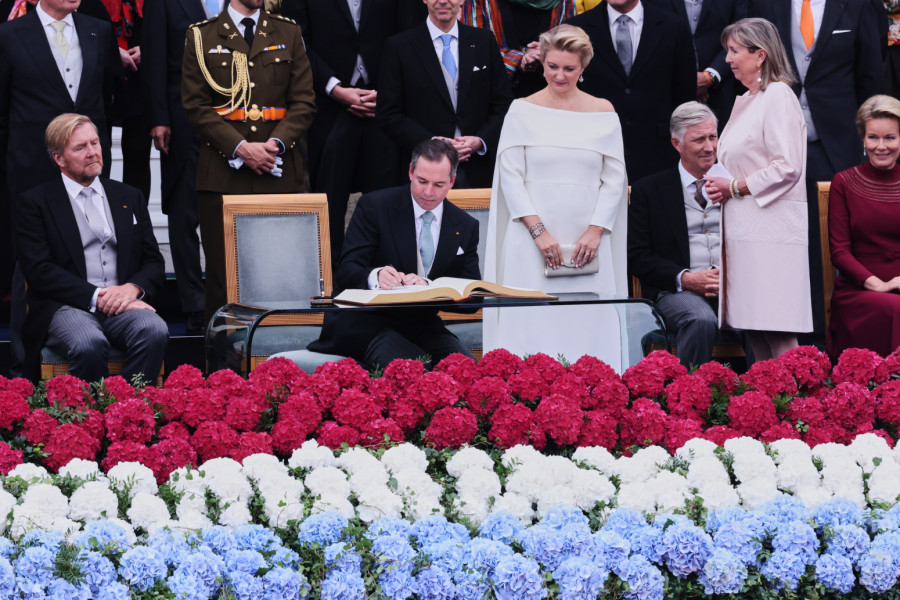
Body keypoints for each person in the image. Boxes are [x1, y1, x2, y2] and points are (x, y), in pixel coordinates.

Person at [483, 24, 628, 369]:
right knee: (530, 323)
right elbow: (510, 177)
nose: (559, 76)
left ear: (583, 67)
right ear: (542, 63)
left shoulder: (604, 111)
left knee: (587, 323)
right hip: (529, 238)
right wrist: (538, 232)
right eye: (552, 66)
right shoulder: (521, 110)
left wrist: (596, 231)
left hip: (588, 241)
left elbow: (614, 178)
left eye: (569, 68)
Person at [751, 0, 884, 342]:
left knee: (832, 240)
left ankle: (836, 334)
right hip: (775, 144)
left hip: (834, 143)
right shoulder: (765, 3)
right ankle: (792, 334)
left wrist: (870, 141)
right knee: (785, 240)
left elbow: (870, 76)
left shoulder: (858, 5)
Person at [0, 0, 121, 374]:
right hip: (31, 167)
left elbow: (108, 94)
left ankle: (93, 341)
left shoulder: (98, 30)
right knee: (28, 262)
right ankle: (24, 367)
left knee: (93, 244)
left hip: (88, 166)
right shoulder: (9, 35)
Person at [181, 0, 316, 320]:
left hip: (279, 170)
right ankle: (224, 350)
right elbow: (195, 106)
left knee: (283, 270)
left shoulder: (288, 31)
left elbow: (304, 102)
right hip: (223, 175)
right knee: (224, 277)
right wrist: (241, 147)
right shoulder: (201, 36)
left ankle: (282, 347)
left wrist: (275, 145)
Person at [16, 114, 167, 383]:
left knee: (154, 330)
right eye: (80, 147)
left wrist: (131, 289)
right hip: (67, 306)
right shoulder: (36, 202)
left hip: (123, 304)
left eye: (94, 143)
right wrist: (96, 296)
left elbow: (154, 262)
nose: (92, 153)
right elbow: (39, 270)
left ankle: (128, 405)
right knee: (88, 343)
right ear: (59, 158)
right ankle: (91, 410)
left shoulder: (129, 196)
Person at [308, 139, 481, 370]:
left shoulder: (465, 224)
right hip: (365, 323)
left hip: (422, 326)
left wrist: (431, 287)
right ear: (410, 172)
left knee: (466, 370)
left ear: (452, 181)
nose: (428, 192)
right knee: (412, 370)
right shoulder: (375, 206)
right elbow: (346, 272)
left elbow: (473, 300)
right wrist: (376, 276)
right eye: (422, 181)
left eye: (439, 184)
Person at [280, 0, 424, 264]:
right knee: (329, 204)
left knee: (388, 204)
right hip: (327, 109)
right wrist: (334, 88)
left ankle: (385, 277)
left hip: (383, 109)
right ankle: (331, 279)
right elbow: (297, 41)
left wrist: (388, 91)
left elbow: (408, 32)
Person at [706, 17, 812, 361]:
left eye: (734, 51)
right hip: (745, 233)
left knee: (778, 330)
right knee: (755, 330)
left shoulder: (778, 95)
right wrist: (721, 185)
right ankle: (767, 395)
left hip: (771, 235)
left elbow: (788, 166)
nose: (728, 59)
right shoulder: (749, 99)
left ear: (760, 54)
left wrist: (735, 186)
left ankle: (800, 397)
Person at [629, 101, 731, 368]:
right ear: (676, 143)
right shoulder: (649, 190)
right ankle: (690, 390)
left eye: (713, 137)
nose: (709, 147)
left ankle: (761, 391)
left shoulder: (735, 184)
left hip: (734, 287)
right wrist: (685, 278)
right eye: (699, 139)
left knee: (759, 316)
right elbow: (637, 256)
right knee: (700, 319)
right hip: (676, 291)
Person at [376, 0, 514, 189]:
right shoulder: (399, 46)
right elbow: (388, 114)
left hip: (479, 169)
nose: (442, 1)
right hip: (424, 171)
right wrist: (432, 143)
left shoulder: (484, 40)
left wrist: (479, 141)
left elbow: (503, 105)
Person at [563, 0, 695, 182]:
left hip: (659, 155)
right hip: (595, 155)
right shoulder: (575, 28)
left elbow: (685, 96)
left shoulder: (673, 26)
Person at [141, 0, 208, 333]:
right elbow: (154, 60)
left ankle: (231, 298)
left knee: (229, 215)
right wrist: (159, 117)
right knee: (183, 216)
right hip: (182, 123)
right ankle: (196, 304)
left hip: (239, 124)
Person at [827, 95, 900, 359]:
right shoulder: (844, 182)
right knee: (894, 307)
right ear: (863, 139)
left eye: (890, 137)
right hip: (859, 289)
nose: (881, 146)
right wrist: (878, 285)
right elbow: (839, 252)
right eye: (873, 137)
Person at [644, 0, 748, 127]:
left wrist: (710, 76)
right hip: (667, 96)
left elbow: (742, 33)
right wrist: (687, 82)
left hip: (721, 93)